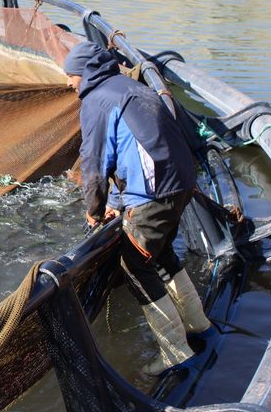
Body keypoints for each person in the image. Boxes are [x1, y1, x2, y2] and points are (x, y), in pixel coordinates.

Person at [64, 41, 212, 375]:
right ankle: (199, 325)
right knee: (160, 255)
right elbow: (134, 147)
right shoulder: (129, 86)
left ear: (84, 72)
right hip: (182, 182)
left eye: (70, 74)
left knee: (134, 265)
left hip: (155, 191)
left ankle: (176, 354)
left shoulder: (96, 100)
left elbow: (94, 164)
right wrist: (118, 203)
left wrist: (94, 212)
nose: (68, 82)